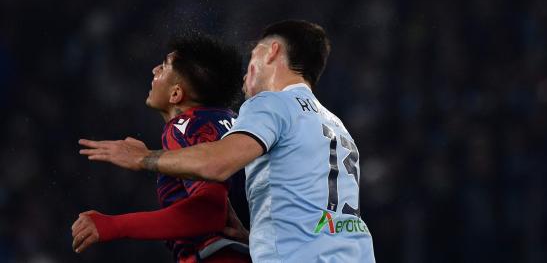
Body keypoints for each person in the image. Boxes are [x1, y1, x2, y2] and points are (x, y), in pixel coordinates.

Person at [80, 20, 376, 262]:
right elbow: (316, 215)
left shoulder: (269, 106)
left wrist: (142, 159)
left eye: (254, 54)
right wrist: (254, 238)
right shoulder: (336, 127)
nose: (248, 66)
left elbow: (214, 170)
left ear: (271, 52)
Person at [72, 33, 252, 263]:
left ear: (176, 93)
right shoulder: (238, 124)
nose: (154, 70)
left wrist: (112, 225)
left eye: (164, 66)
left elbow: (209, 211)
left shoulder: (184, 125)